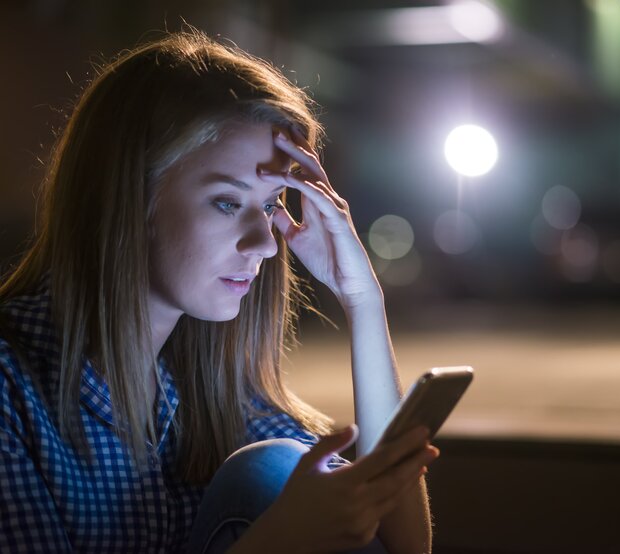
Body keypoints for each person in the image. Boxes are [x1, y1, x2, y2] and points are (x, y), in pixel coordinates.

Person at [0, 29, 439, 553]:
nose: (266, 244)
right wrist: (277, 542)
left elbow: (404, 546)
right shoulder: (13, 389)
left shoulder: (202, 384)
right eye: (228, 203)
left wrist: (362, 300)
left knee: (272, 468)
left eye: (273, 204)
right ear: (128, 197)